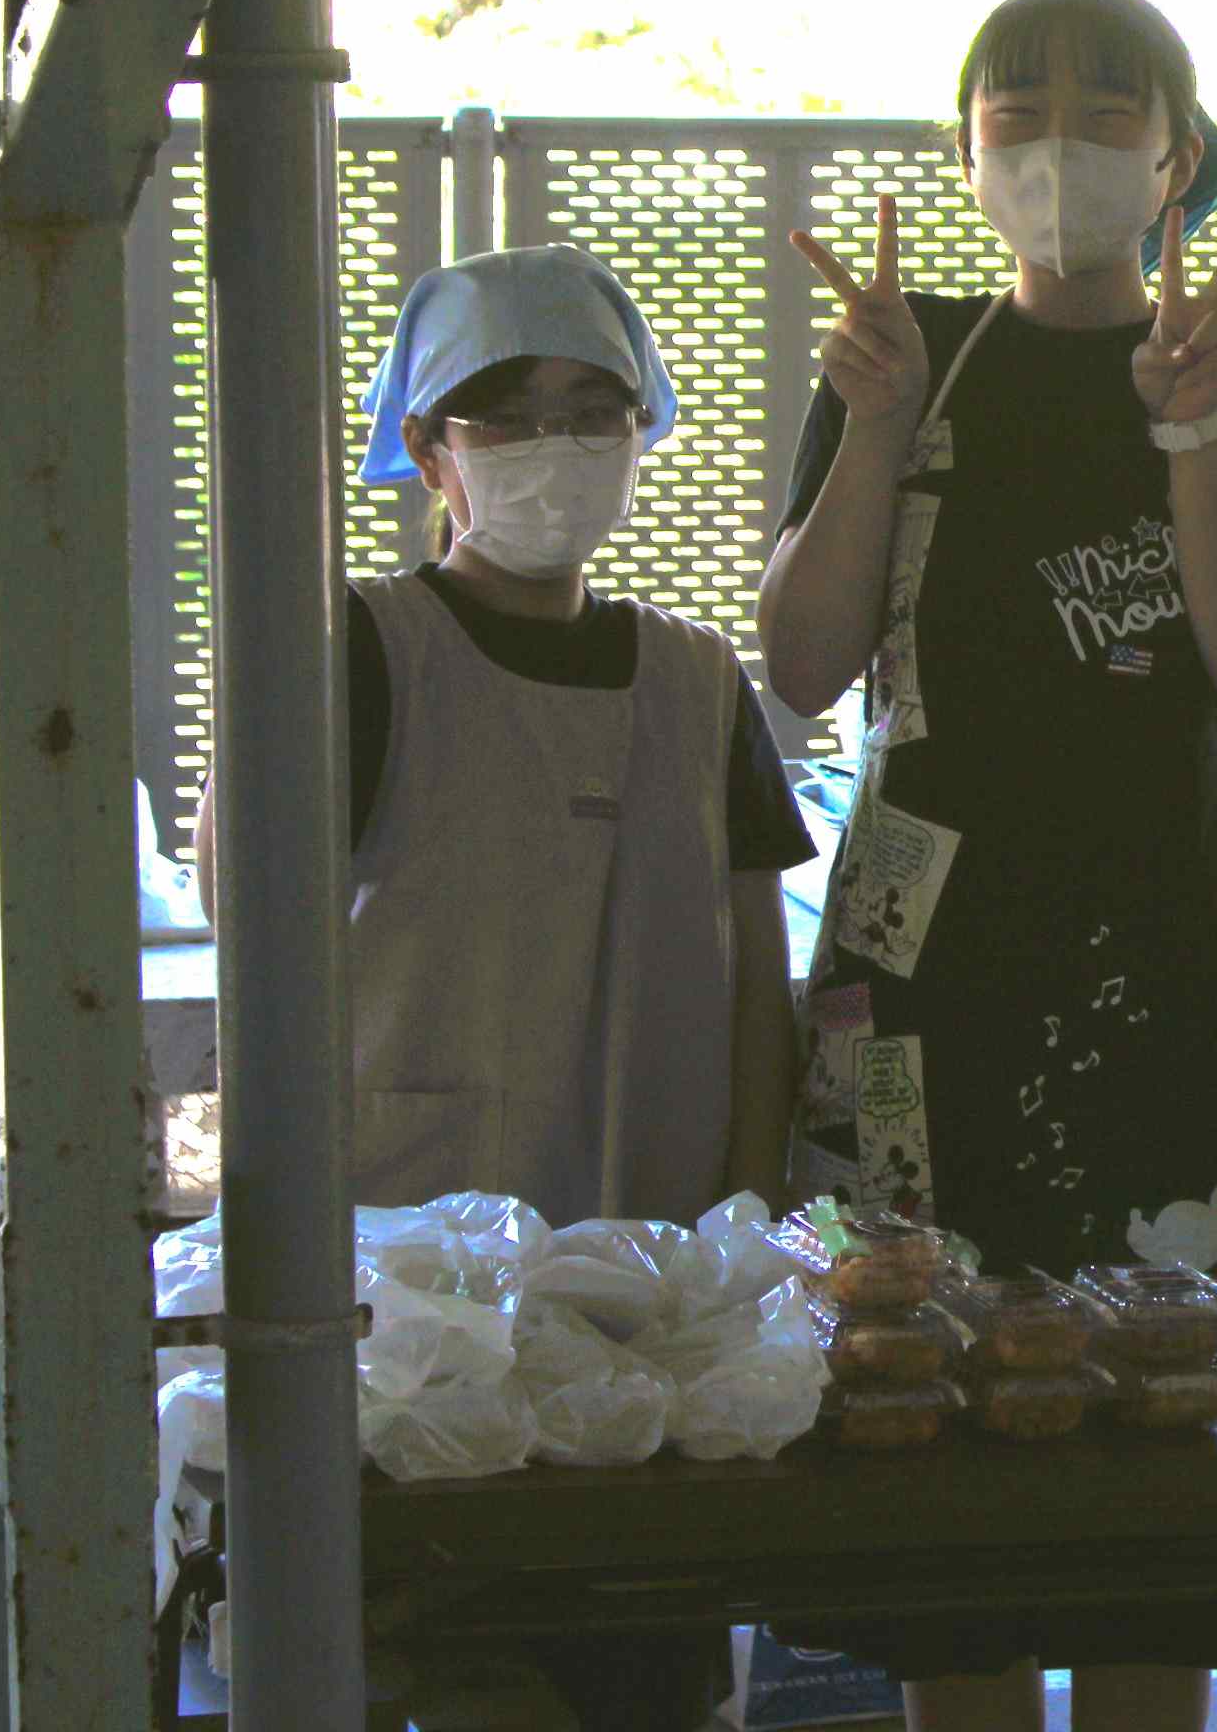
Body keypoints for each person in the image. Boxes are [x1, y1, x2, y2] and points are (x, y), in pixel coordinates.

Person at [758, 0, 1217, 1731]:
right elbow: (801, 663)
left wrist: (1194, 437)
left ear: (1179, 159)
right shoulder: (899, 358)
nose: (1057, 147)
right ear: (964, 154)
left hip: (1167, 973)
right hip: (923, 985)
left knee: (1166, 1454)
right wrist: (873, 429)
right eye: (1016, 113)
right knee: (933, 1461)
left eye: (1108, 113)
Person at [212, 242, 816, 1732]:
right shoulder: (358, 651)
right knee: (435, 1649)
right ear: (430, 448)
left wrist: (744, 1223)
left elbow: (759, 980)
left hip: (652, 1275)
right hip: (414, 1289)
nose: (557, 447)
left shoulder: (697, 682)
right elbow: (250, 920)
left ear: (640, 433)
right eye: (509, 414)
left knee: (640, 1659)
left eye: (592, 412)